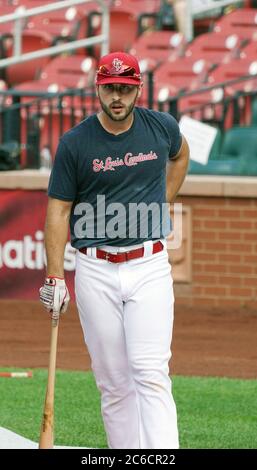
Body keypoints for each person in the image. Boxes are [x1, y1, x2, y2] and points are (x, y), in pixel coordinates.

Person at [39, 51, 189, 449]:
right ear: (98, 90)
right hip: (95, 268)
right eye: (110, 89)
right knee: (113, 382)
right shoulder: (75, 143)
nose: (117, 97)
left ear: (138, 88)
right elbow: (59, 210)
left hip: (149, 264)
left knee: (150, 372)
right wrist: (55, 276)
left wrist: (164, 199)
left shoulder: (161, 128)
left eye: (125, 88)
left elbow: (181, 154)